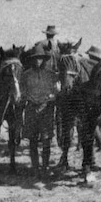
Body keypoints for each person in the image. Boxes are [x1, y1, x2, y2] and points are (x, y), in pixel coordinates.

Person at [21, 44, 58, 179]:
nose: (38, 61)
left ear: (44, 59)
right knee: (32, 140)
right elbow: (22, 91)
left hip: (46, 110)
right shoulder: (25, 75)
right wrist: (27, 98)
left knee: (46, 140)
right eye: (36, 58)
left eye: (40, 58)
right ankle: (35, 168)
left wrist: (48, 100)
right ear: (32, 60)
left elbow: (56, 92)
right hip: (31, 109)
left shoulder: (51, 75)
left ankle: (45, 167)